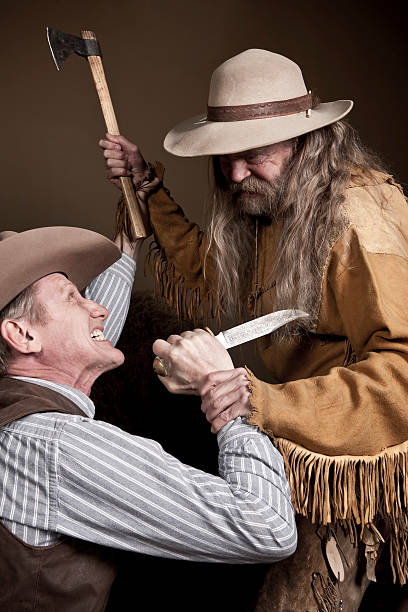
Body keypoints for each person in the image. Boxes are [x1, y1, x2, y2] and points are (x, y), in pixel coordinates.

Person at [100, 48, 408, 607]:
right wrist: (147, 187)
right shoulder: (275, 201)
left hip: (362, 468)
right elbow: (210, 268)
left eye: (254, 155)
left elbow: (404, 380)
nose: (236, 175)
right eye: (225, 158)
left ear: (306, 141)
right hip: (296, 439)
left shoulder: (361, 218)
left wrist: (249, 398)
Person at [0, 224, 296, 611]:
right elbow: (267, 528)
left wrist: (126, 243)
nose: (97, 309)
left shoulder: (20, 415)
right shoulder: (53, 445)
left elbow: (89, 338)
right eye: (74, 298)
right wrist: (221, 389)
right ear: (22, 337)